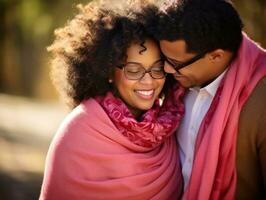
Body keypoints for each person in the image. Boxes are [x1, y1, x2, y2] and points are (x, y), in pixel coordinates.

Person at [39, 1, 185, 199]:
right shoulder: (77, 133)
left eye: (158, 68)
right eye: (134, 70)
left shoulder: (170, 127)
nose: (149, 80)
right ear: (108, 71)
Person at [138, 0, 266, 199]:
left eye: (176, 63)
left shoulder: (260, 104)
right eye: (165, 59)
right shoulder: (177, 85)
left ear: (216, 56)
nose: (167, 69)